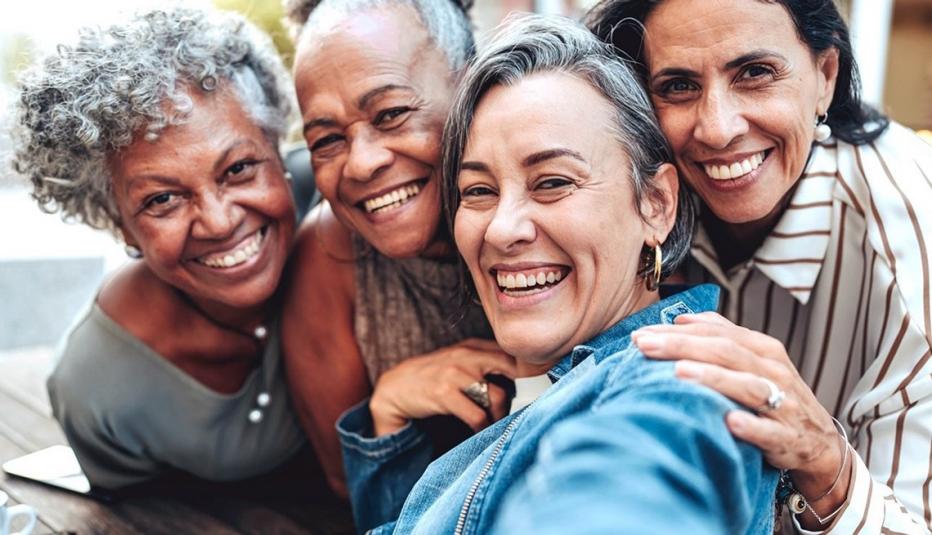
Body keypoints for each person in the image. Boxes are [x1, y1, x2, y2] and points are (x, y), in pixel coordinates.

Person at [336, 14, 779, 534]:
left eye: (552, 182)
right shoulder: (546, 387)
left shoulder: (676, 384)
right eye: (478, 191)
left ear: (656, 204)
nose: (502, 229)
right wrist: (389, 426)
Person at [586, 1, 932, 532]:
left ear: (825, 76)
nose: (719, 128)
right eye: (678, 86)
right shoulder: (642, 196)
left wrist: (823, 459)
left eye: (755, 73)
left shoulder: (911, 239)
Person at [10, 8, 310, 491]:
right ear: (118, 224)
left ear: (277, 148)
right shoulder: (99, 390)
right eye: (162, 199)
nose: (219, 220)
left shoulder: (348, 210)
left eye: (238, 169)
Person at [281, 0, 514, 495]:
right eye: (326, 140)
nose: (361, 164)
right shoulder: (327, 256)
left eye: (390, 114)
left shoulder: (554, 206)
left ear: (471, 85)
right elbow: (346, 484)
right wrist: (390, 404)